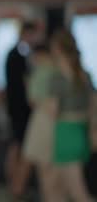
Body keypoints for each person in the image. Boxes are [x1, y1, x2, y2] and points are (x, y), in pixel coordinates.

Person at [46, 29, 96, 202]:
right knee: (54, 184)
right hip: (80, 130)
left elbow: (53, 111)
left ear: (57, 48)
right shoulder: (85, 75)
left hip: (65, 132)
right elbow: (93, 105)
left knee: (77, 191)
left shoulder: (57, 77)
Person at [5, 21, 37, 197]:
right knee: (18, 146)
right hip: (20, 110)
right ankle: (15, 184)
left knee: (16, 145)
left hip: (15, 108)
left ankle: (14, 182)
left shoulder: (13, 54)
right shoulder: (18, 56)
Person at [22, 43, 56, 202]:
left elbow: (32, 99)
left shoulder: (41, 71)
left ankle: (47, 196)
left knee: (41, 163)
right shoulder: (58, 69)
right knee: (52, 163)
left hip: (42, 119)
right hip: (58, 121)